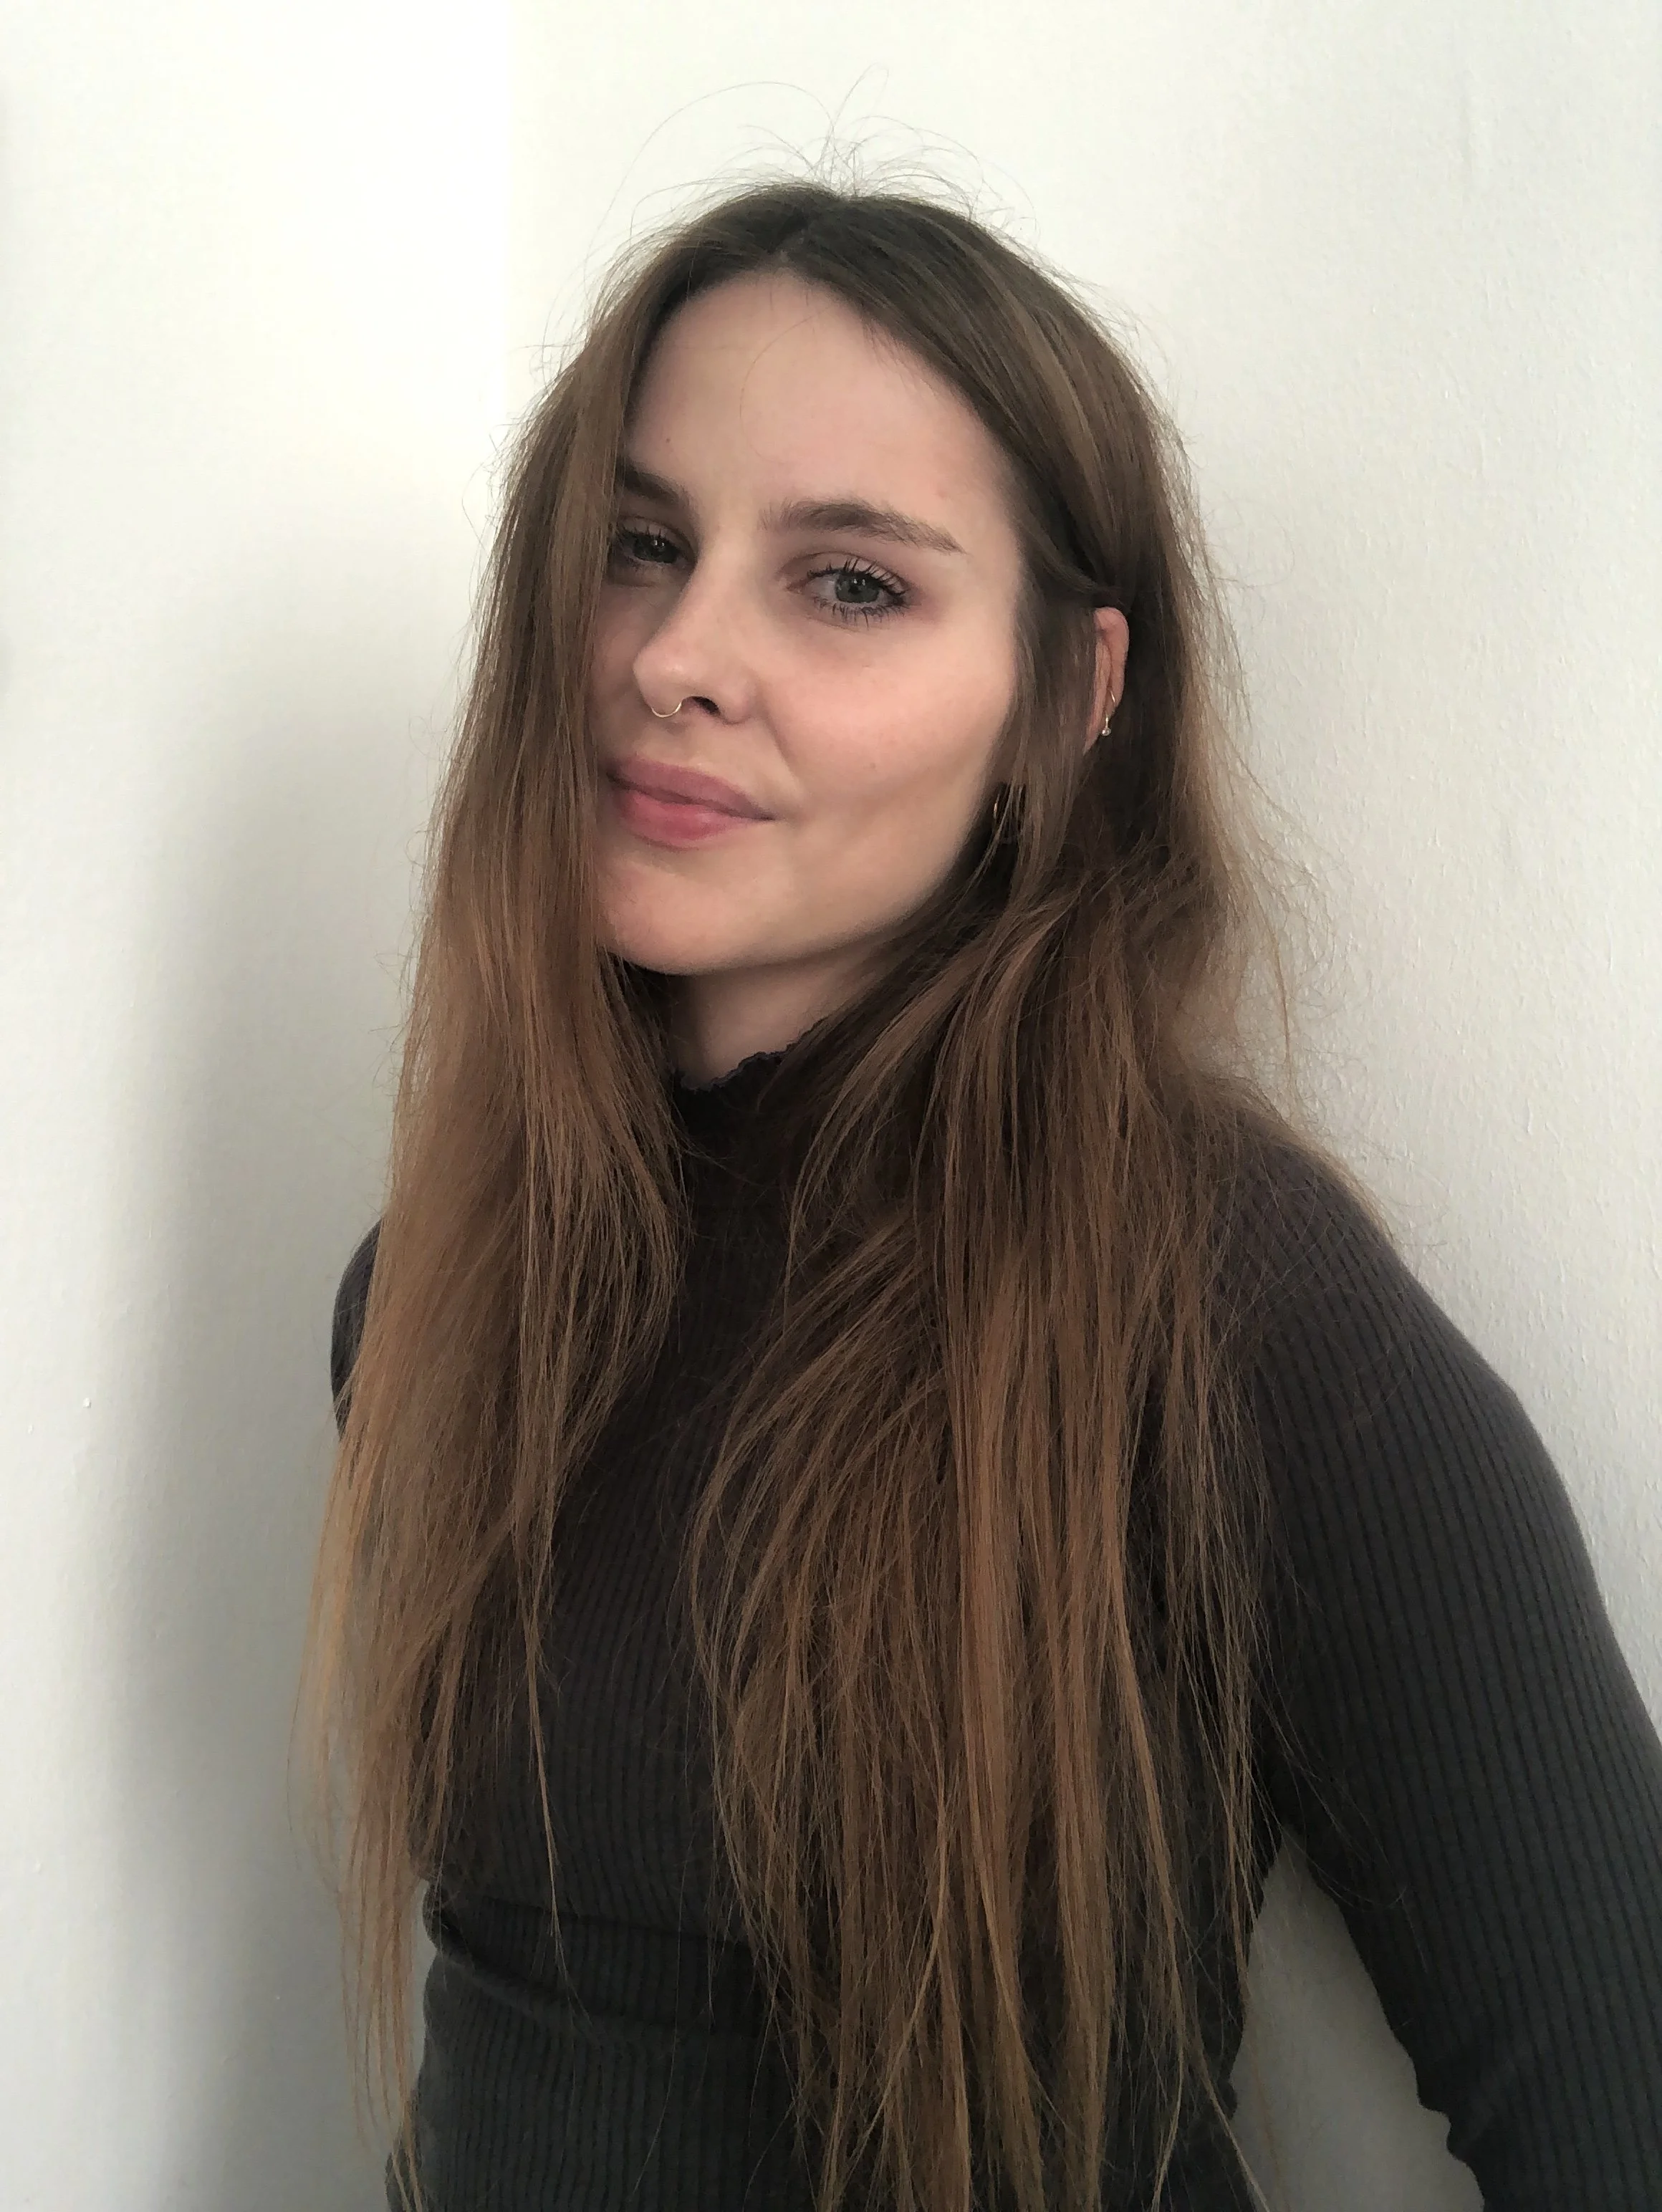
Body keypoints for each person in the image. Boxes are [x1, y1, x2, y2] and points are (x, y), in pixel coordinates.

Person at [307, 178, 1662, 2212]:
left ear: (1067, 693)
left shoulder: (1227, 1303)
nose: (675, 654)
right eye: (638, 546)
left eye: (849, 584)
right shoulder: (439, 1285)